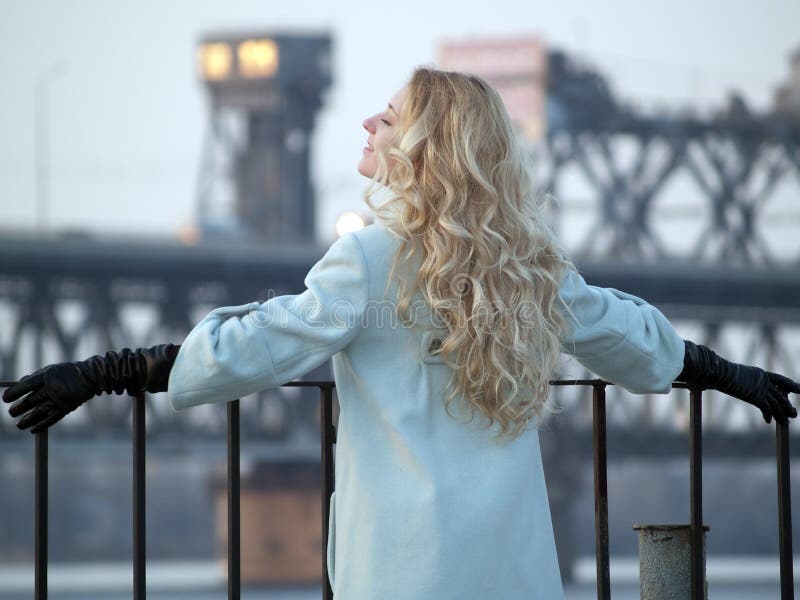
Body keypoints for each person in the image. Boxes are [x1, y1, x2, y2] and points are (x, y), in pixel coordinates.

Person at [3, 67, 799, 599]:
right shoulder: (532, 267)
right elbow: (632, 340)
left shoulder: (369, 258)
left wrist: (107, 371)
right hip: (513, 572)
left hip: (402, 573)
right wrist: (731, 375)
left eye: (383, 118)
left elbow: (256, 346)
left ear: (419, 149)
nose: (365, 123)